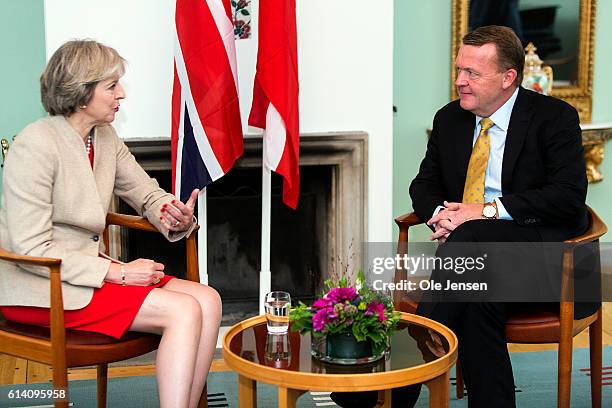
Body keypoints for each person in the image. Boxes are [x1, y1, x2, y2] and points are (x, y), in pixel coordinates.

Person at [333, 25, 595, 408]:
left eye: (472, 73)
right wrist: (441, 215)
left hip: (552, 262)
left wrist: (483, 212)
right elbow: (424, 185)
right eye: (458, 70)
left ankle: (397, 380)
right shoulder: (450, 119)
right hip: (473, 266)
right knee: (476, 298)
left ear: (508, 78)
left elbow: (568, 197)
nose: (460, 81)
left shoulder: (554, 118)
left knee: (473, 238)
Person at [0, 40, 221, 408]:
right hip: (41, 285)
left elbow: (146, 193)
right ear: (82, 92)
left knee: (208, 300)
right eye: (111, 86)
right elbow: (31, 248)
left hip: (87, 274)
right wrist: (118, 273)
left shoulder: (103, 137)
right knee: (183, 310)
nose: (121, 94)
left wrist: (171, 211)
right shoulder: (34, 145)